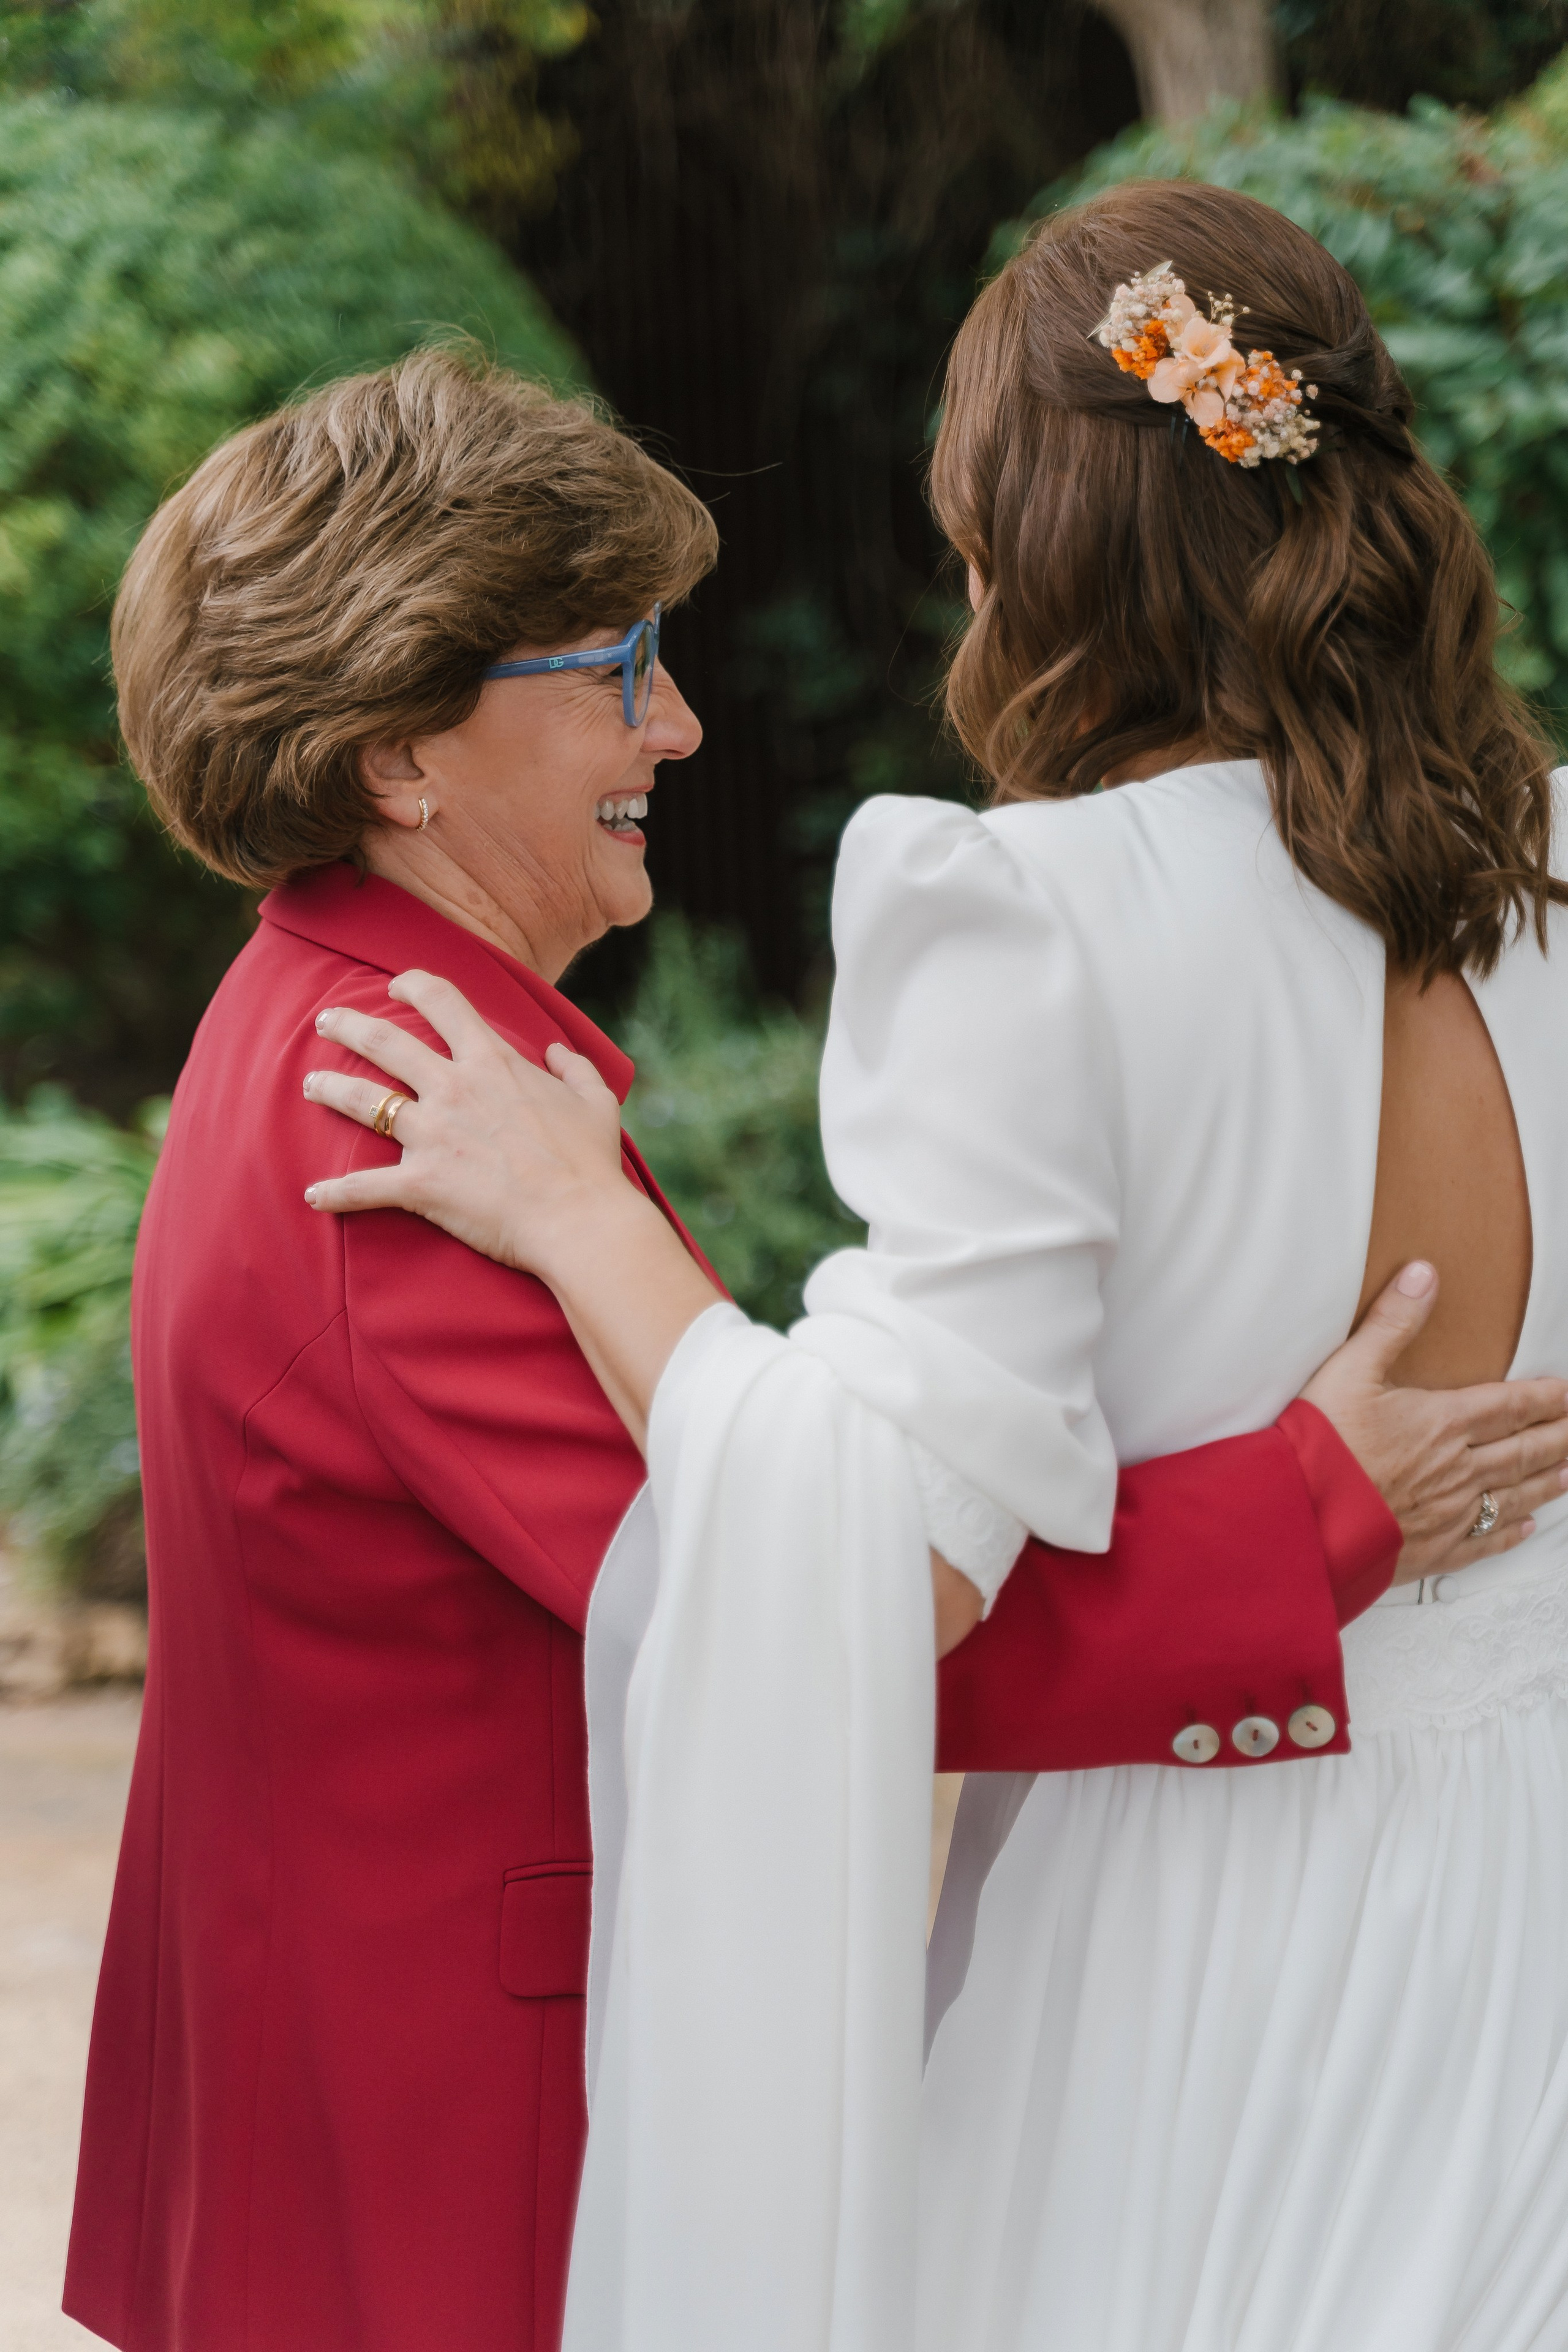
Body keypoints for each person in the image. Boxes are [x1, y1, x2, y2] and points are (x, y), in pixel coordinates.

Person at [55, 346, 1501, 2352]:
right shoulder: (391, 1105)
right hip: (438, 2155)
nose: (685, 716)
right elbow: (793, 1602)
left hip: (384, 2100)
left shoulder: (376, 1027)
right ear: (403, 750)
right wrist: (1316, 1519)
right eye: (619, 667)